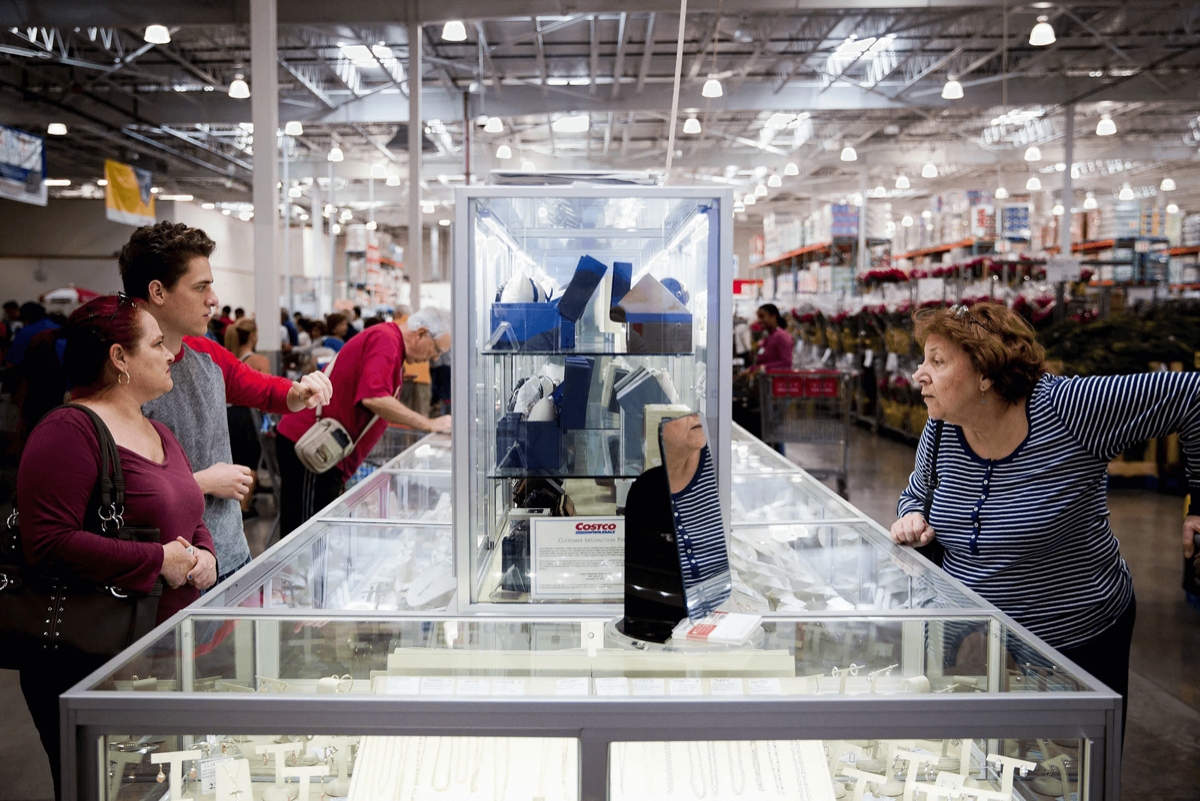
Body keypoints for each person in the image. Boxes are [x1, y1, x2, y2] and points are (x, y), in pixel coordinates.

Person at [890, 302, 1200, 742]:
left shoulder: (1069, 410)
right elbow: (917, 494)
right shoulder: (943, 425)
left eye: (937, 362)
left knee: (1066, 769)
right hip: (976, 641)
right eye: (924, 360)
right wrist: (910, 516)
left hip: (1074, 639)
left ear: (986, 373)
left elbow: (1193, 395)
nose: (920, 374)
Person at [16, 295, 215, 799]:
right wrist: (157, 561)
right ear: (118, 358)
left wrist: (205, 553)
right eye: (156, 343)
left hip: (162, 653)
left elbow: (188, 513)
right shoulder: (69, 430)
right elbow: (48, 542)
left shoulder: (159, 430)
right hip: (96, 659)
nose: (170, 353)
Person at [119, 221, 332, 585]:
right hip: (168, 575)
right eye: (200, 287)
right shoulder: (118, 372)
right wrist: (200, 482)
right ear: (157, 291)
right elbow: (115, 488)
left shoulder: (204, 353)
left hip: (230, 556)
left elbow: (263, 390)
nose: (213, 298)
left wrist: (299, 393)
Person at [275, 307, 453, 536]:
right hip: (310, 446)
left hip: (323, 448)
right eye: (437, 350)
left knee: (314, 532)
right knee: (303, 535)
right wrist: (428, 423)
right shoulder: (387, 341)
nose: (435, 358)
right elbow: (374, 397)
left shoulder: (389, 341)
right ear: (420, 333)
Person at [224, 319, 270, 515]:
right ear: (253, 336)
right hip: (249, 418)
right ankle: (242, 510)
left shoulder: (229, 360)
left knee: (234, 464)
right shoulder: (260, 362)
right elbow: (267, 393)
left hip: (228, 417)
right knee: (249, 466)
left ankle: (233, 508)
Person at [742, 303, 793, 376]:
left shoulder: (781, 336)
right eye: (758, 317)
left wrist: (761, 368)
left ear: (773, 316)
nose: (759, 321)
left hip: (776, 384)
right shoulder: (769, 337)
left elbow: (786, 364)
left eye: (762, 317)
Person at [5, 302, 59, 369]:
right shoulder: (58, 328)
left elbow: (13, 360)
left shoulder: (25, 332)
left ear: (26, 318)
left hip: (32, 373)